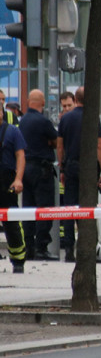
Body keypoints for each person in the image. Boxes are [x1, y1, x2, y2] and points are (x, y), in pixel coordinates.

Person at [57, 87, 101, 263]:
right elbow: (100, 146)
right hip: (88, 169)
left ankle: (69, 250)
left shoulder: (65, 119)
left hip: (70, 167)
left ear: (76, 99)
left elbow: (60, 146)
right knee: (88, 210)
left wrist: (62, 168)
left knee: (70, 208)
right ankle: (87, 250)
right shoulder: (92, 118)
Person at [19, 89, 58, 260]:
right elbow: (55, 142)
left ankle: (29, 247)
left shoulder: (23, 121)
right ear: (43, 103)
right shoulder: (44, 121)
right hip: (42, 170)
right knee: (44, 209)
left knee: (28, 209)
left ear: (28, 102)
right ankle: (42, 247)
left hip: (25, 168)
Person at [0, 107, 27, 273]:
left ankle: (18, 260)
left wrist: (18, 179)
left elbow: (20, 156)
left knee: (11, 222)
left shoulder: (12, 132)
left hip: (6, 182)